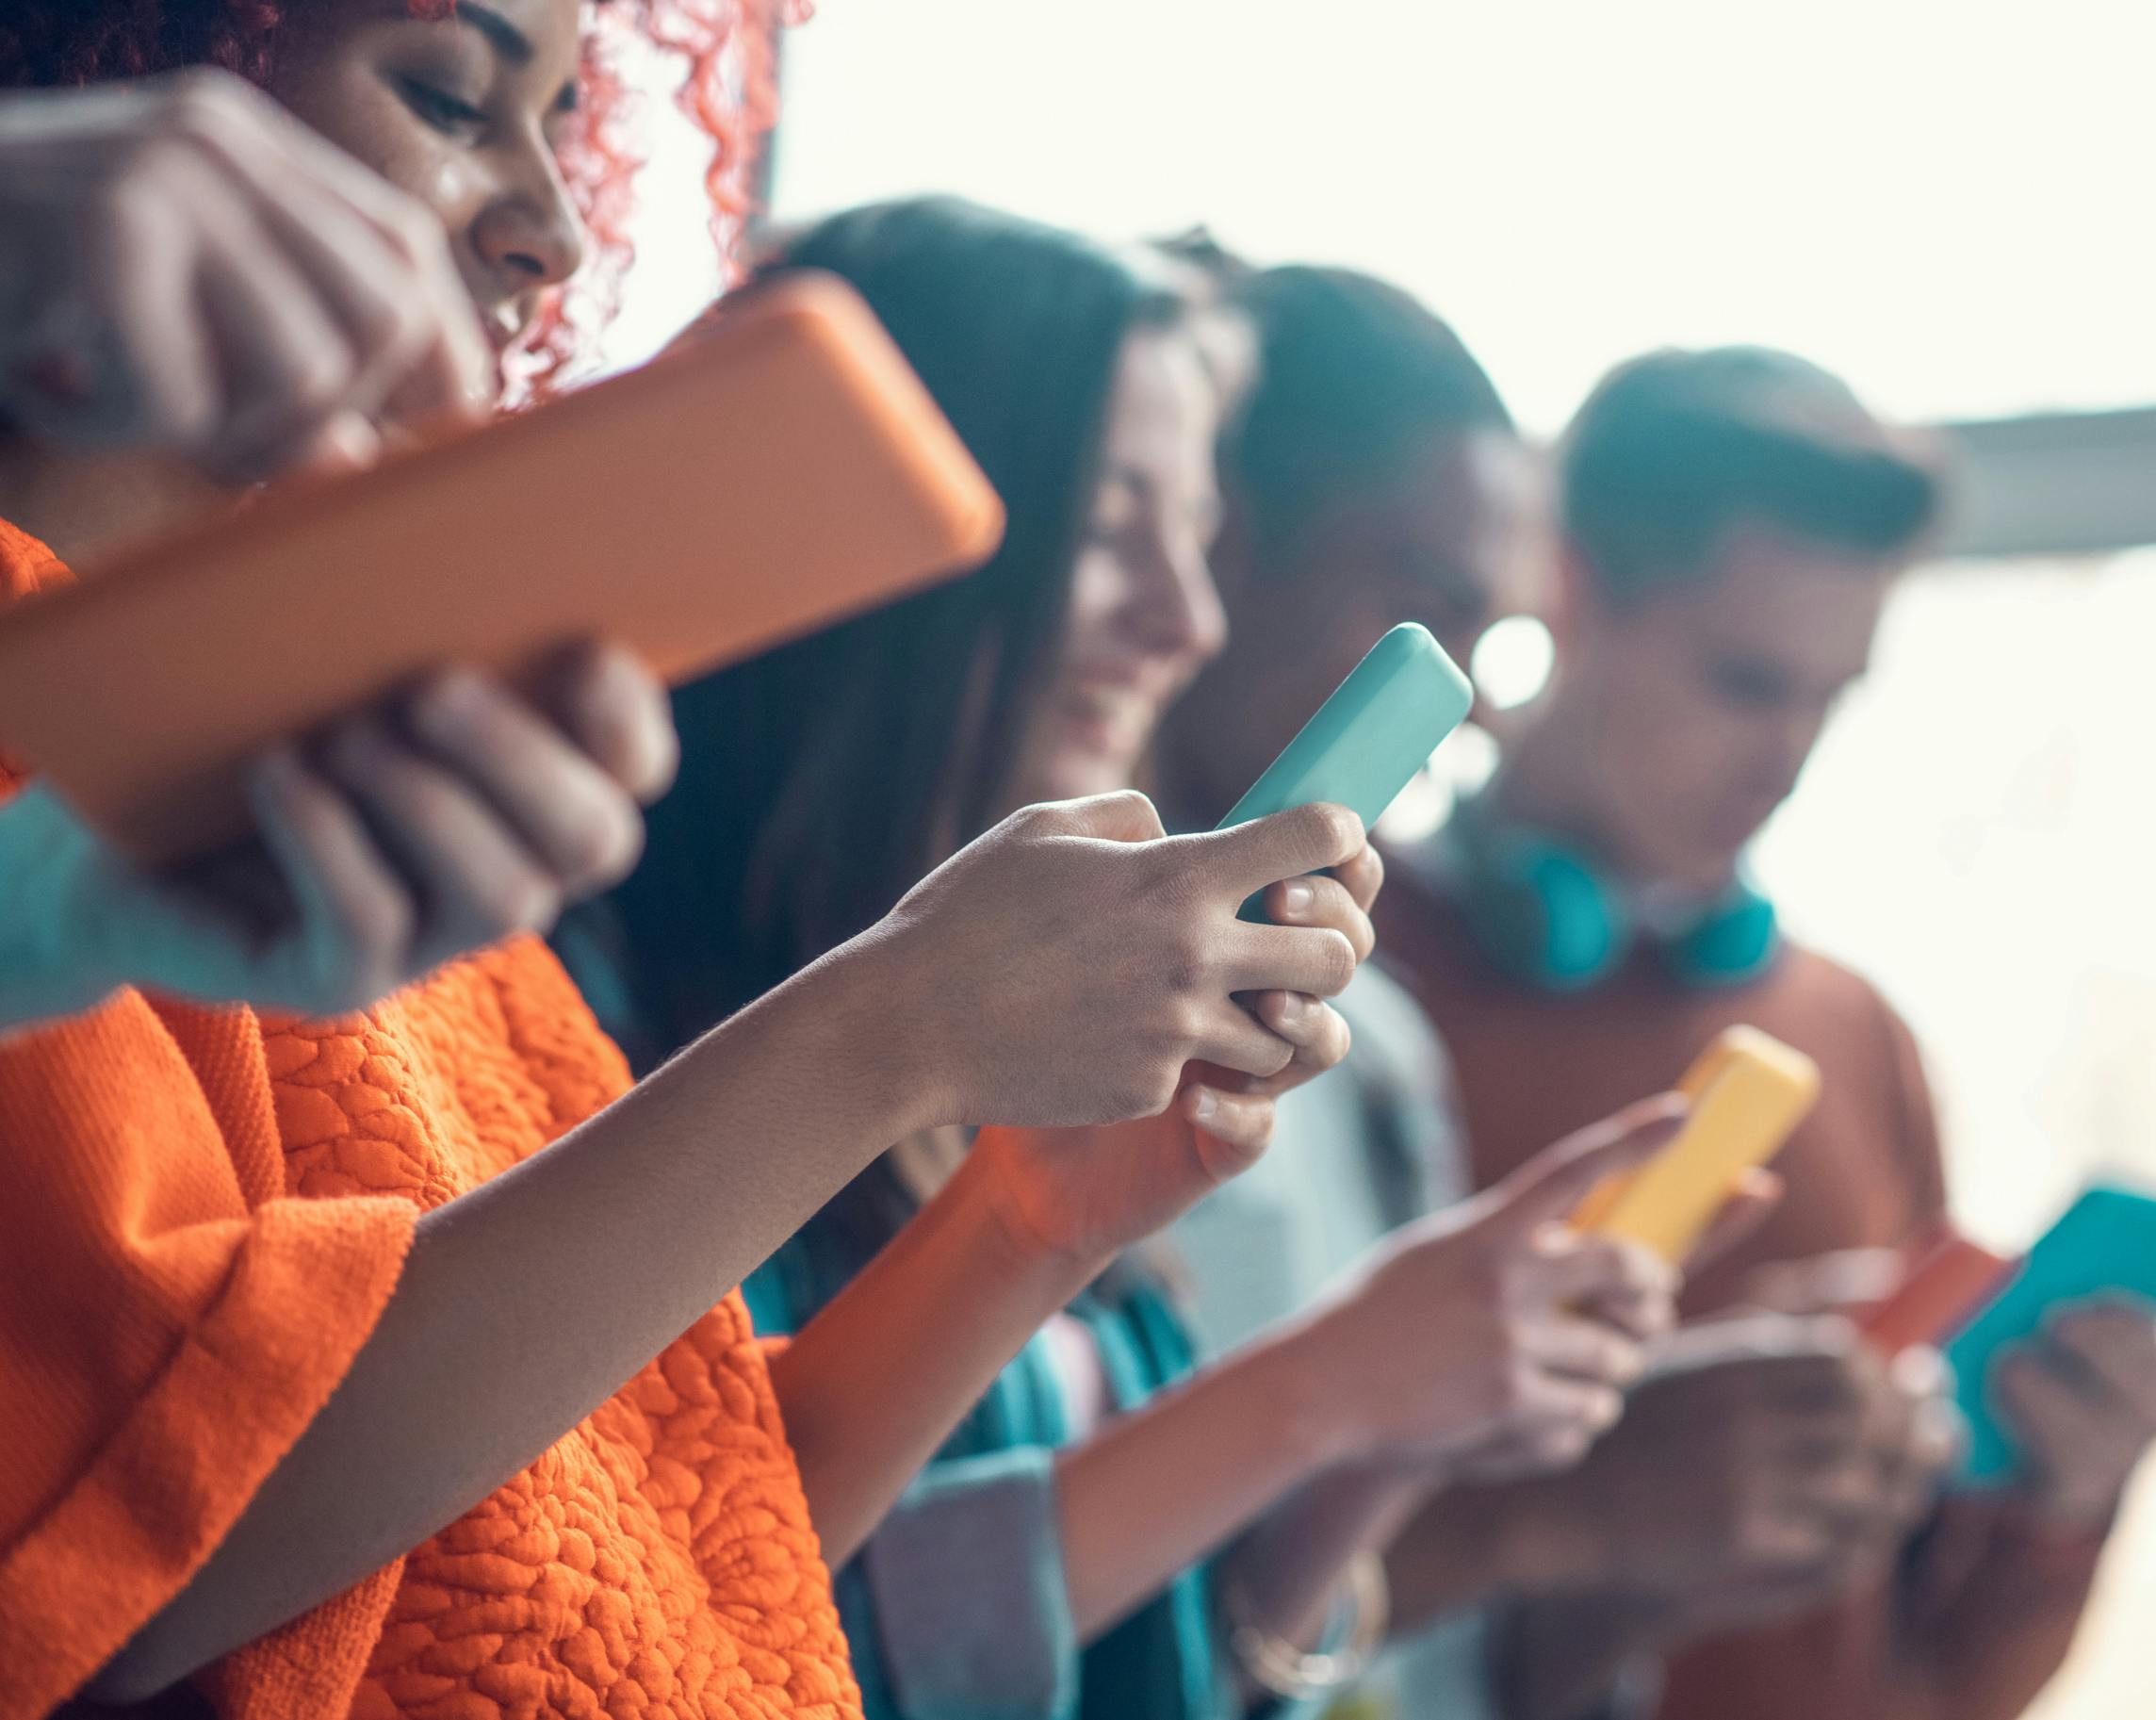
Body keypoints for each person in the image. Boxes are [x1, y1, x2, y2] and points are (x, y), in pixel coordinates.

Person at [0, 16, 1371, 1714]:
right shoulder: (99, 733)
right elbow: (135, 1545)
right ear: (101, 82)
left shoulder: (348, 774)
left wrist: (1027, 1220)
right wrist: (890, 1030)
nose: (550, 230)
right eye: (446, 95)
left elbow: (635, 1531)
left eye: (562, 126)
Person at [571, 198, 1715, 1720]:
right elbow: (657, 1615)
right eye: (1115, 532)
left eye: (1191, 536)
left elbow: (1177, 1655)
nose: (1185, 618)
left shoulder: (1032, 1030)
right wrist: (1319, 1389)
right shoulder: (591, 1014)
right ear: (895, 533)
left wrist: (1388, 1434)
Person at [1370, 345, 2156, 1720]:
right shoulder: (1345, 980)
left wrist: (2061, 1504)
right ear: (1570, 590)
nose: (1786, 757)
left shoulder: (1850, 1039)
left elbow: (1923, 1678)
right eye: (1746, 682)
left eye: (1830, 697)